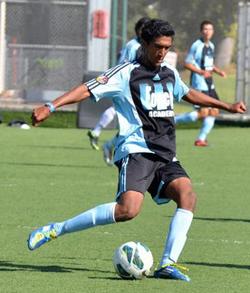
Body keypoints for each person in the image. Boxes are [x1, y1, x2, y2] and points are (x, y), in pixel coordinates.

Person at [28, 19, 246, 282]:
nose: (162, 52)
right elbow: (87, 89)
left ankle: (167, 264)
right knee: (127, 211)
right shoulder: (125, 72)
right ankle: (55, 229)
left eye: (167, 47)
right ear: (144, 44)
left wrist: (227, 106)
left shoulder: (169, 73)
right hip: (137, 151)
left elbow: (188, 93)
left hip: (166, 154)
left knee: (187, 196)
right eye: (158, 47)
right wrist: (50, 106)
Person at [87, 17, 150, 152]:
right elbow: (125, 65)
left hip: (133, 84)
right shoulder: (134, 46)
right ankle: (109, 143)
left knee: (126, 114)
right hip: (127, 84)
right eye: (143, 29)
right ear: (138, 31)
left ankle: (101, 136)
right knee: (135, 118)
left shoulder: (141, 44)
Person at [175, 20, 227, 146]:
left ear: (213, 31)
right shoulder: (196, 45)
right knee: (202, 113)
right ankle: (172, 120)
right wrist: (200, 72)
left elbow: (209, 63)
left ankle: (201, 139)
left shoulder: (211, 46)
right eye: (205, 29)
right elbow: (187, 63)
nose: (207, 31)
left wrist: (218, 71)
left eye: (210, 29)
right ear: (201, 31)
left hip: (209, 83)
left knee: (214, 111)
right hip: (199, 83)